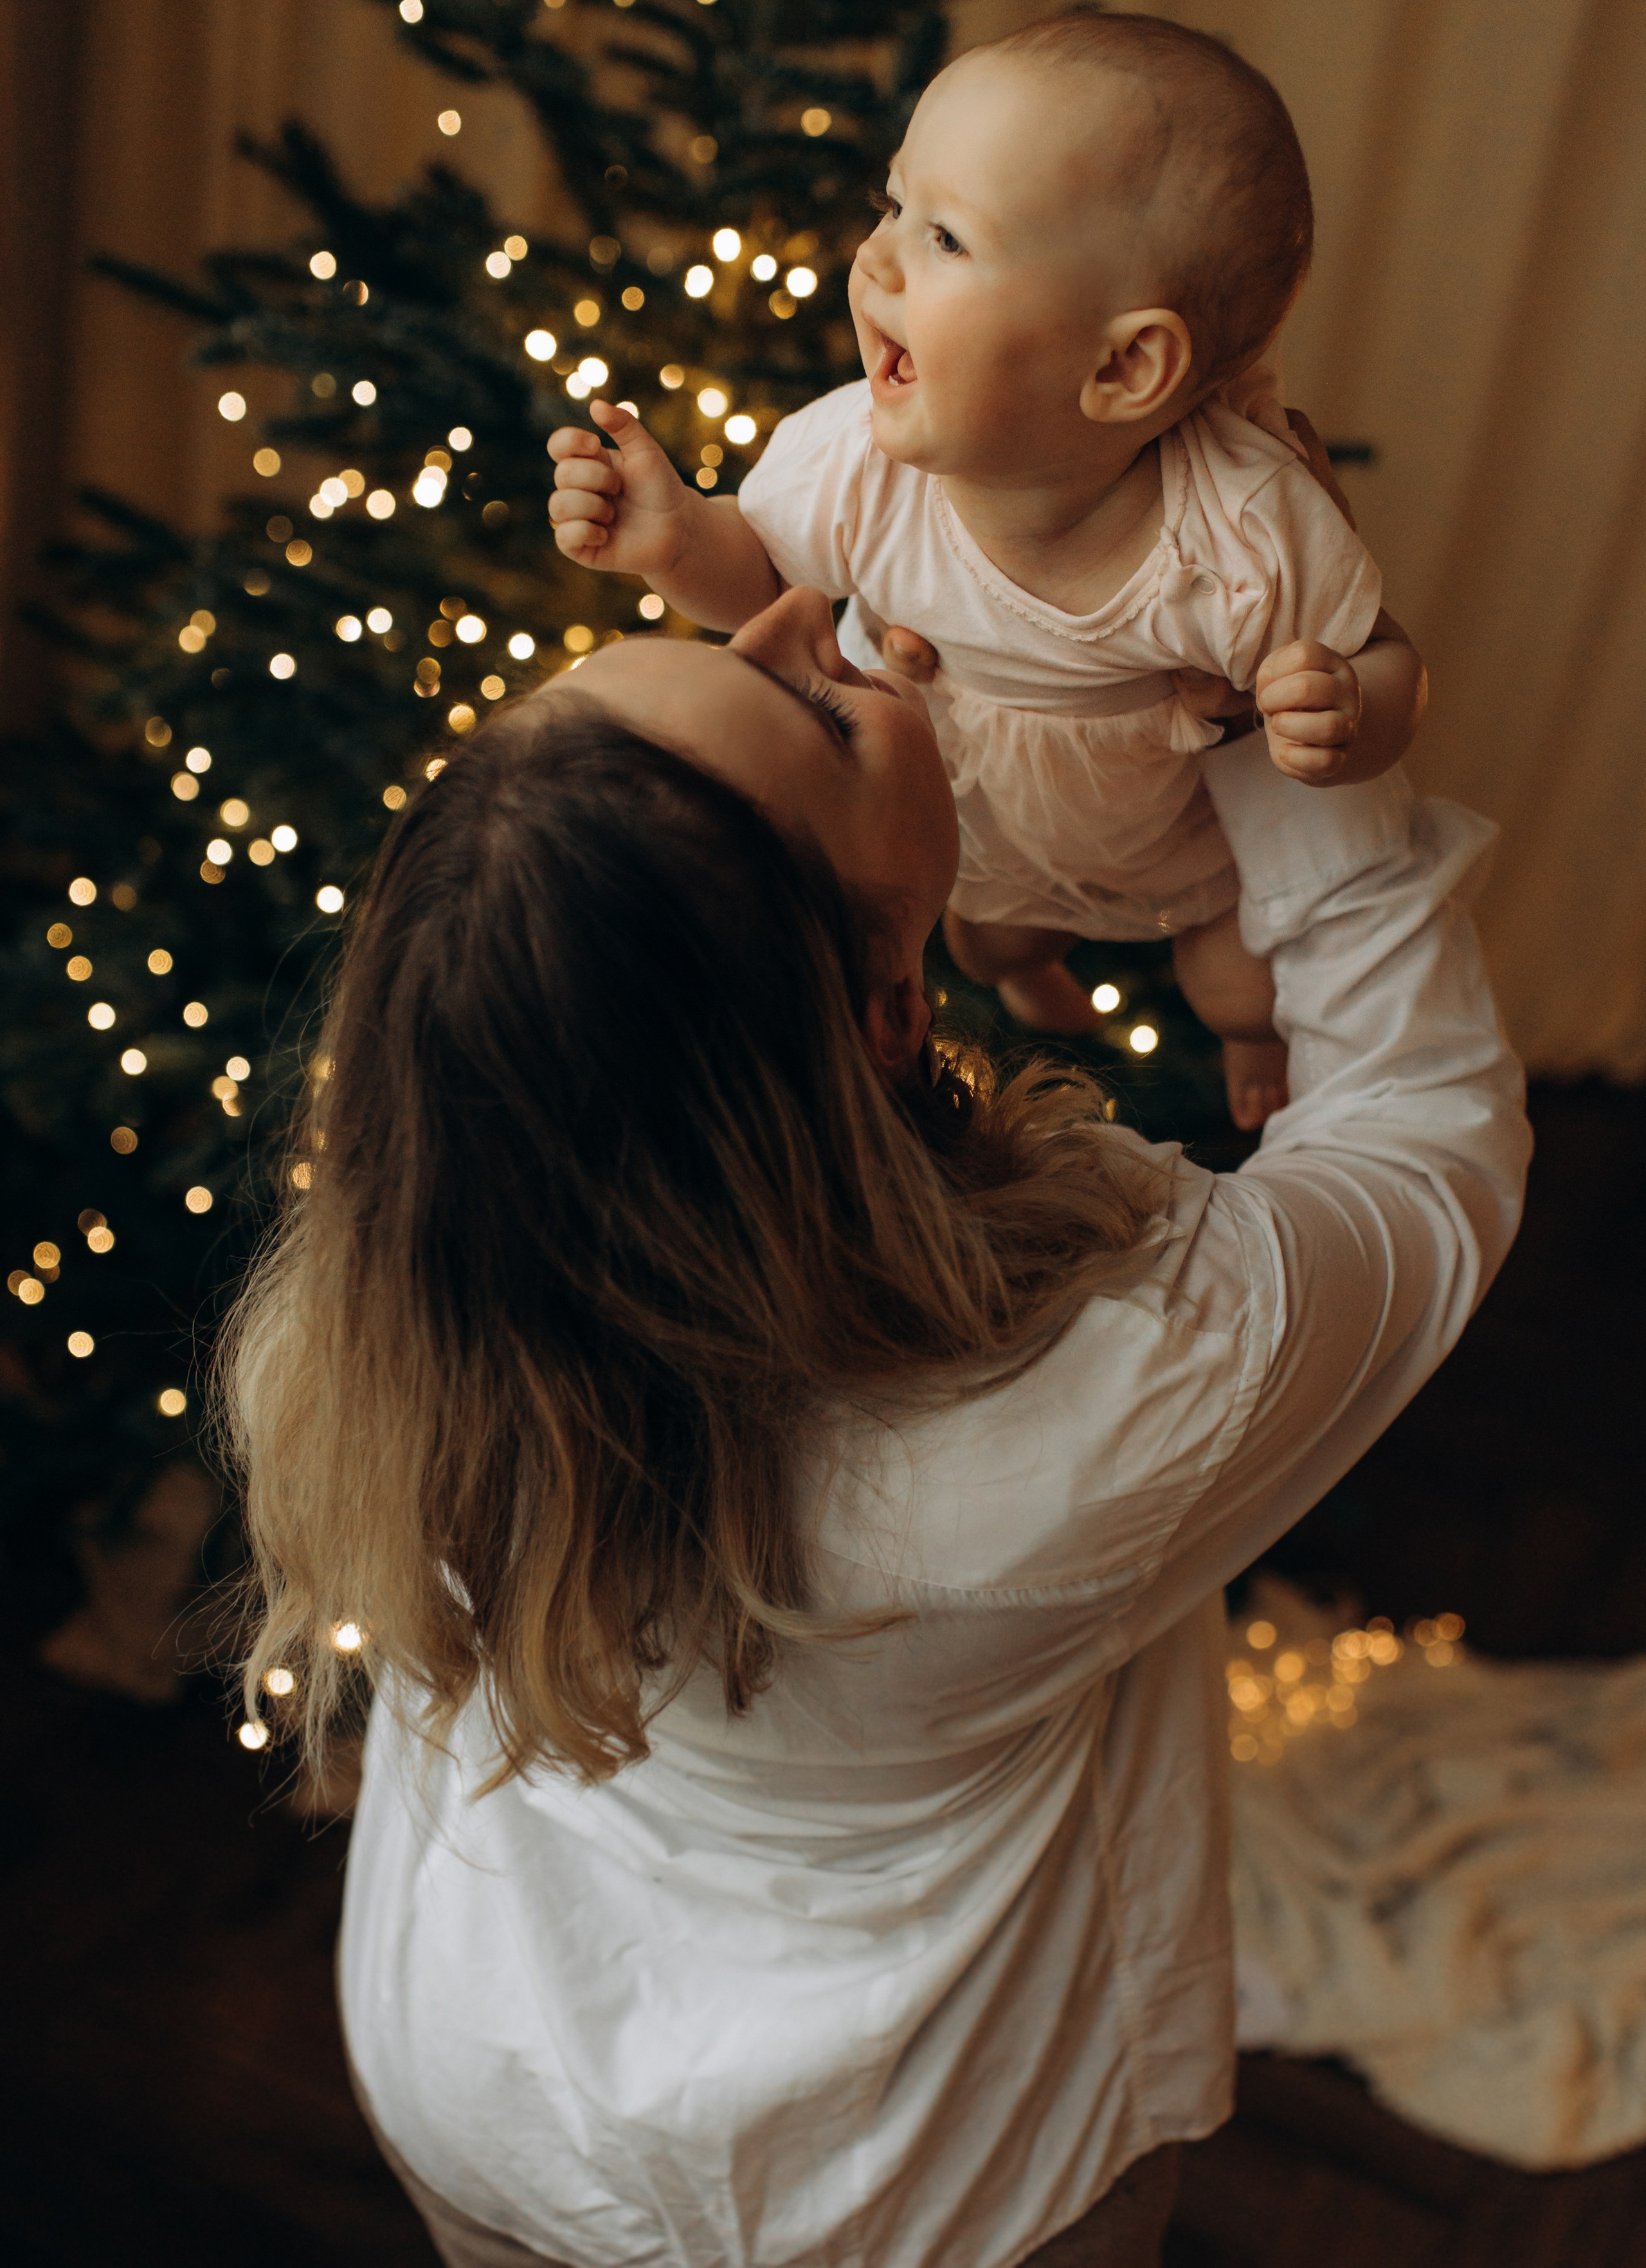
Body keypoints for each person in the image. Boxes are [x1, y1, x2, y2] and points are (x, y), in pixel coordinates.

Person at [223, 579, 1527, 2268]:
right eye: (814, 717)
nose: (786, 612)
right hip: (906, 2197)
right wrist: (1265, 717)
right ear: (887, 1011)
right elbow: (1425, 1146)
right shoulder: (1086, 1403)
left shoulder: (375, 1293)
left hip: (485, 2087)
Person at [546, 10, 1427, 1131]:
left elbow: (1385, 652)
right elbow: (768, 585)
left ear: (1125, 365)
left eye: (946, 240)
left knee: (1238, 986)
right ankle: (1026, 979)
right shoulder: (857, 459)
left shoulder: (1240, 528)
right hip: (986, 808)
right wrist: (676, 543)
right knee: (989, 937)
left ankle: (1255, 1045)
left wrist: (1356, 709)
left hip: (1169, 824)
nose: (875, 258)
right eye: (894, 206)